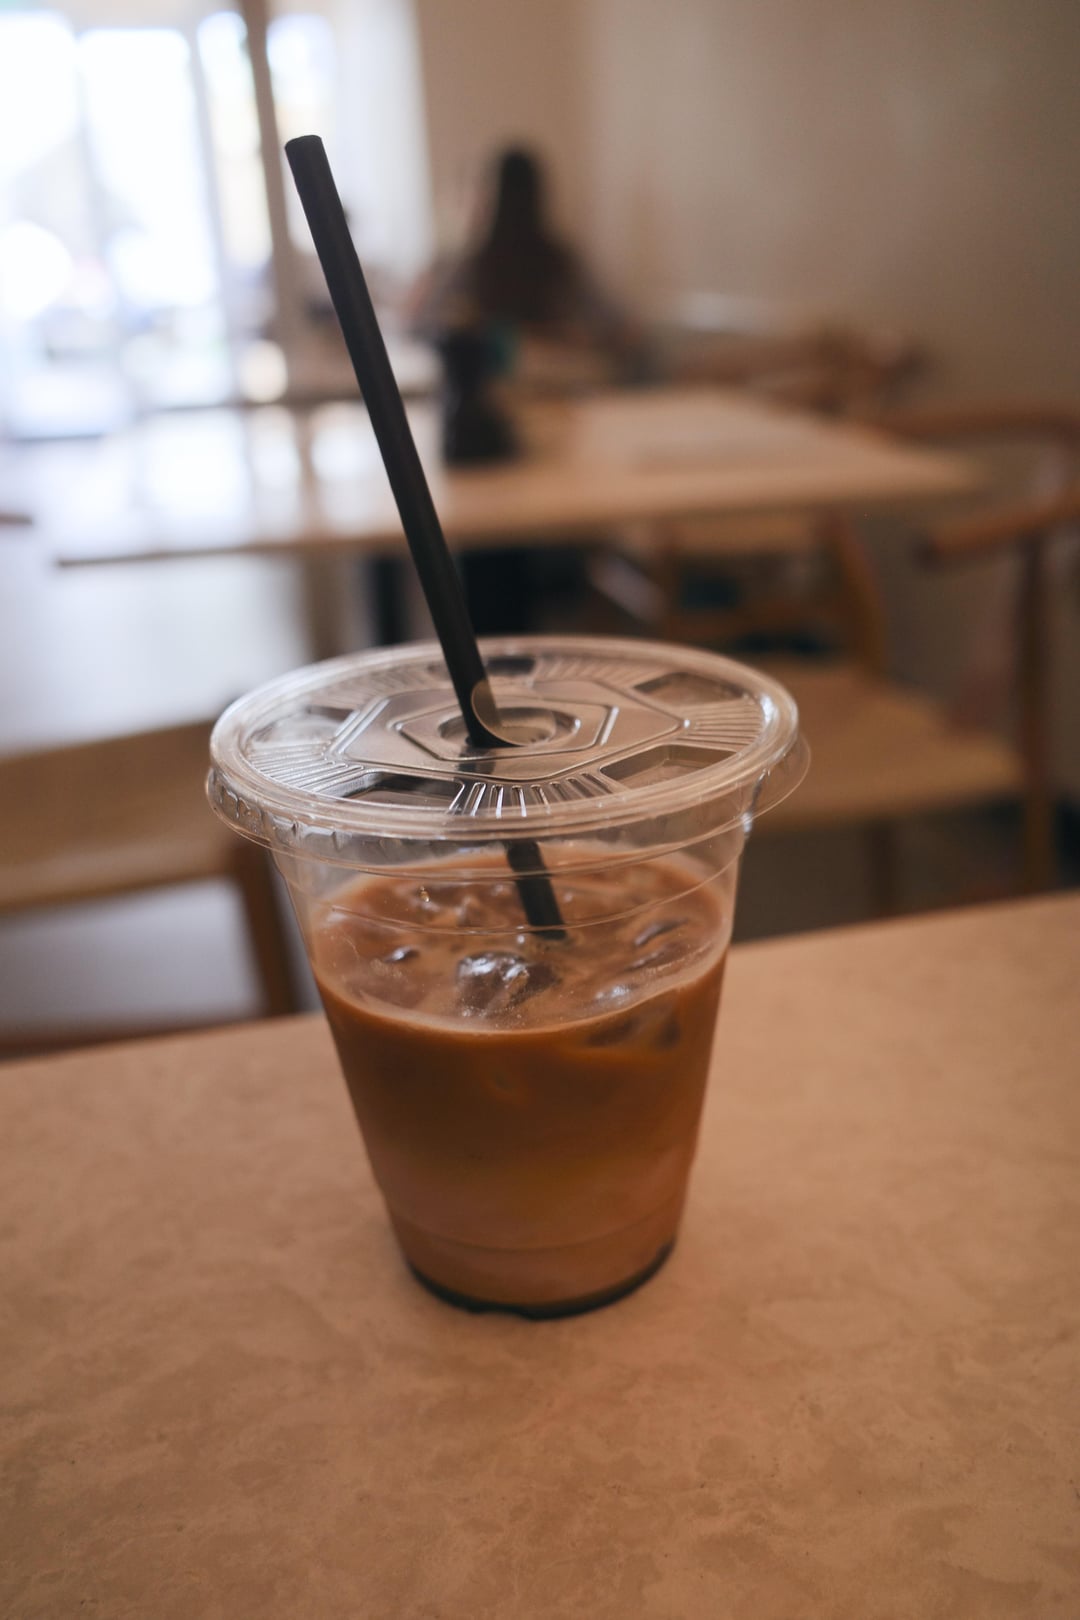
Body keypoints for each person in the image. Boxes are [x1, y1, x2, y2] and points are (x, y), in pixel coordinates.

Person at [408, 147, 647, 632]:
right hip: (560, 429)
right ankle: (543, 618)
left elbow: (423, 323)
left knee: (491, 535)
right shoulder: (559, 261)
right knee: (545, 530)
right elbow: (623, 332)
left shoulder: (474, 262)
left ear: (490, 194)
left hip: (495, 426)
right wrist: (569, 339)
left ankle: (493, 630)